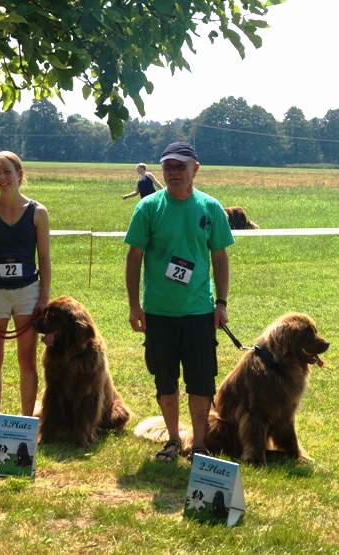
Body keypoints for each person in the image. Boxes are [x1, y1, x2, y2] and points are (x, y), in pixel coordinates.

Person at [124, 141, 234, 462]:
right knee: (166, 379)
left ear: (194, 169)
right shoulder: (148, 208)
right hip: (158, 312)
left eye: (180, 166)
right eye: (168, 167)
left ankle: (198, 443)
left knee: (201, 381)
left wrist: (222, 302)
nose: (173, 173)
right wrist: (134, 305)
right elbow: (134, 258)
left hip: (200, 311)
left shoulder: (211, 208)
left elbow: (220, 256)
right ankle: (172, 440)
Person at [0, 151, 51, 439]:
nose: (2, 178)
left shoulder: (38, 212)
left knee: (26, 360)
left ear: (20, 174)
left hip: (28, 292)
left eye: (7, 172)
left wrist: (44, 298)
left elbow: (45, 258)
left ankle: (26, 423)